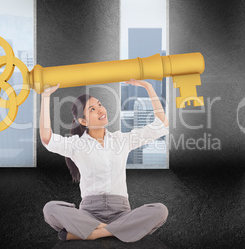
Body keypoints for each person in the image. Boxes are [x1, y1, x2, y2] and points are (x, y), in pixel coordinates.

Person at [40, 79, 170, 243]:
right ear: (83, 121)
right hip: (88, 213)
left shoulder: (121, 140)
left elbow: (161, 125)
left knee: (160, 210)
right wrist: (45, 97)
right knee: (50, 208)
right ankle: (119, 230)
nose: (101, 110)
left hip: (122, 212)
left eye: (100, 104)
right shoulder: (77, 144)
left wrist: (148, 87)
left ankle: (94, 233)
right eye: (92, 109)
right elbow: (47, 138)